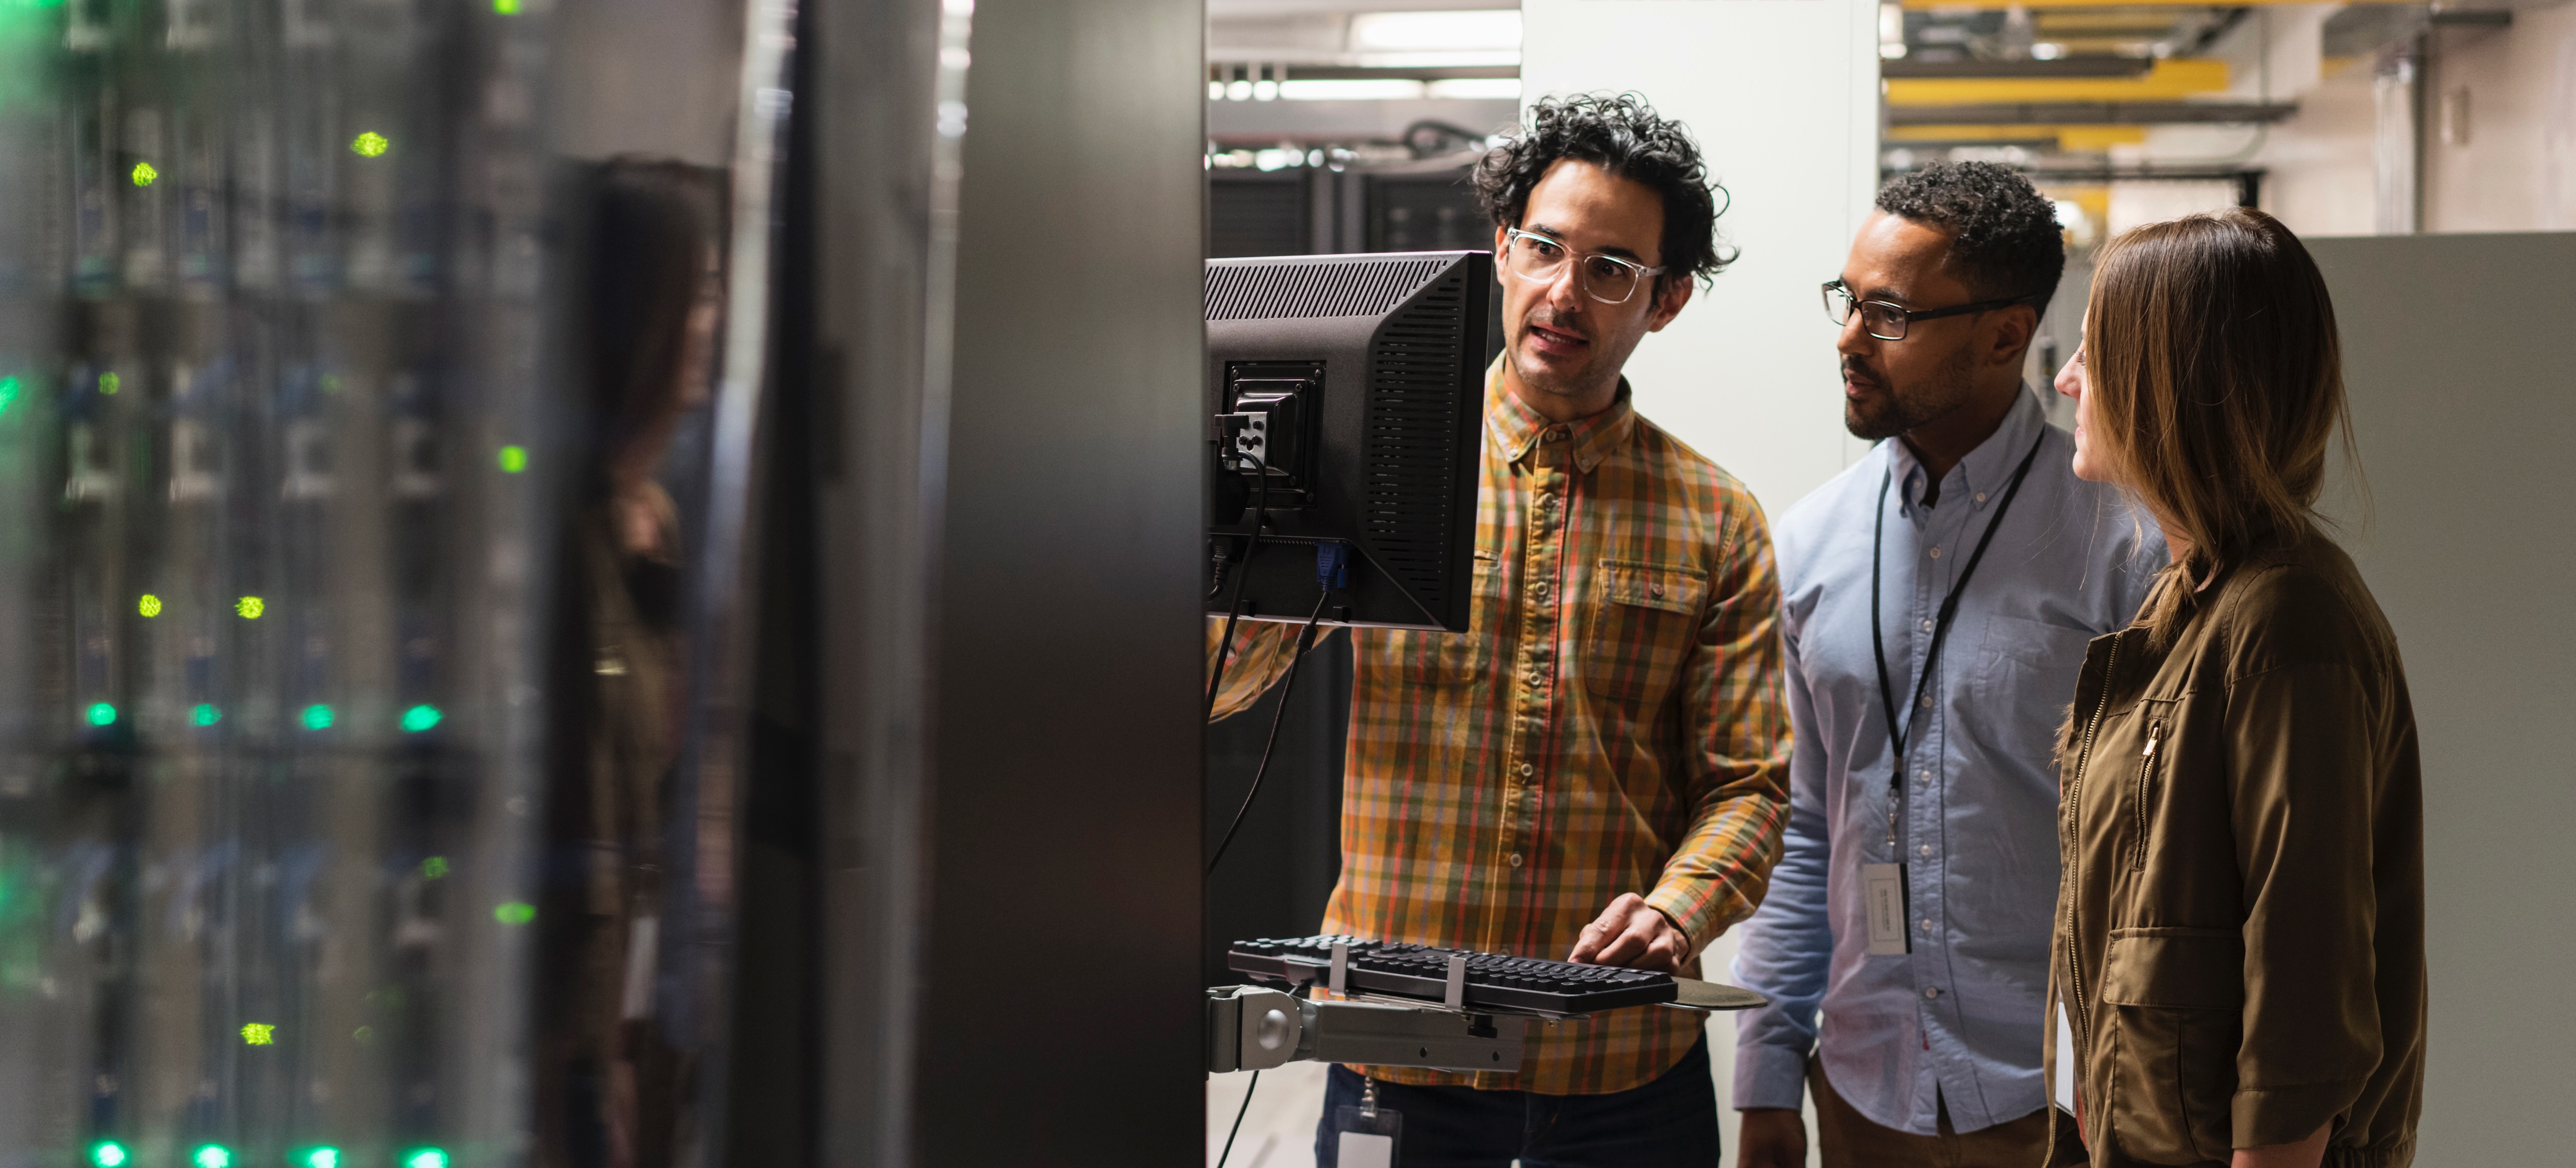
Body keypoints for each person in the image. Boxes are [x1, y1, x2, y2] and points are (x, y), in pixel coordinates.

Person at [1207, 94, 1790, 1166]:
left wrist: (1679, 910)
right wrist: (1249, 524)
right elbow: (1225, 686)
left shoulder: (1716, 518)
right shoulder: (1378, 469)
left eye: (1610, 269)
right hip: (1393, 1044)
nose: (1564, 292)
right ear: (1500, 250)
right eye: (1544, 248)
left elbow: (1747, 787)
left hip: (1616, 1067)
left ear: (1663, 302)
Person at [1731, 162, 2166, 1168]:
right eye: (1847, 302)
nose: (1846, 338)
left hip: (2061, 1104)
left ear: (2003, 335)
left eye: (1888, 316)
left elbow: (2161, 857)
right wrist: (1762, 1079)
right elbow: (1805, 824)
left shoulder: (2123, 543)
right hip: (1859, 1092)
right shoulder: (1808, 545)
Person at [2046, 207, 2423, 1168]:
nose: (2064, 381)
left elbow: (2301, 1002)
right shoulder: (2193, 603)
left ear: (2169, 383)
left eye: (2093, 354)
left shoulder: (2285, 621)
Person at [536, 157, 726, 1168]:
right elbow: (578, 830)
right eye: (696, 291)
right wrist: (594, 1052)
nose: (714, 317)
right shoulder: (562, 544)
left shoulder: (651, 525)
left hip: (635, 1021)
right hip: (568, 1044)